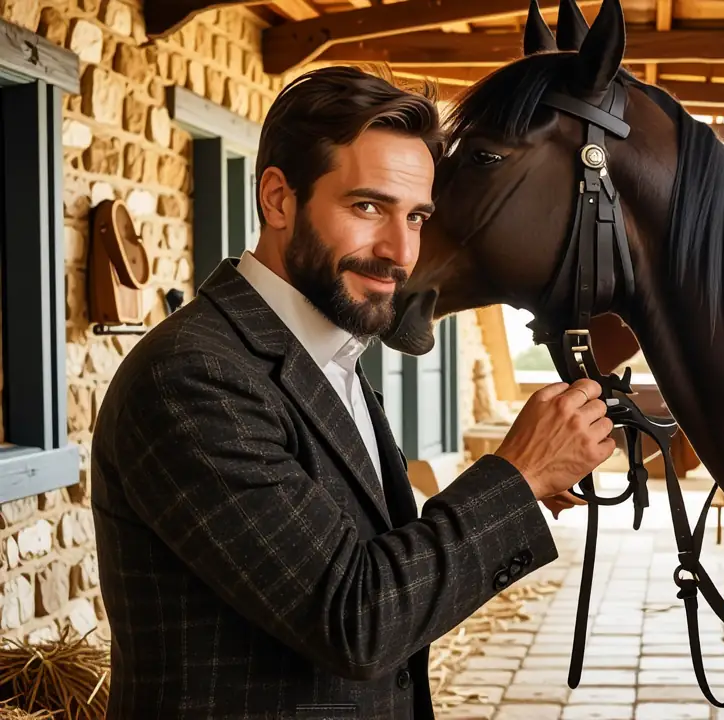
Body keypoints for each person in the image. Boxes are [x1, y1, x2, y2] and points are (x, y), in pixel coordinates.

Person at [90, 66, 615, 719]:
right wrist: (515, 477)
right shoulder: (192, 379)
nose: (400, 250)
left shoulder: (328, 356)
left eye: (417, 216)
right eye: (368, 207)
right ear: (278, 199)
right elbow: (355, 618)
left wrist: (516, 487)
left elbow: (370, 561)